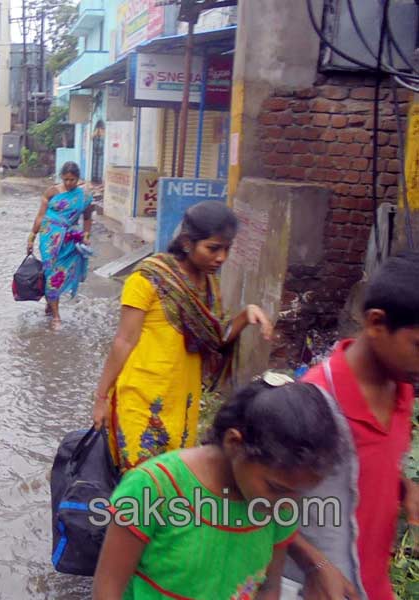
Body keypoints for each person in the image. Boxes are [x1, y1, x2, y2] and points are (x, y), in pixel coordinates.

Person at [93, 378, 342, 600]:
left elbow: (268, 587)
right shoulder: (154, 489)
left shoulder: (277, 506)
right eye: (276, 487)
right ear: (234, 443)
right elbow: (108, 589)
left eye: (299, 494)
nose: (288, 504)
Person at [92, 201, 274, 473]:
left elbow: (217, 338)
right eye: (213, 248)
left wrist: (246, 315)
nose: (222, 257)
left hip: (182, 406)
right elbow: (123, 341)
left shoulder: (209, 286)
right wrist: (101, 398)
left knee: (170, 488)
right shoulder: (147, 278)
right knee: (141, 490)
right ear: (188, 243)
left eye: (227, 248)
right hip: (142, 402)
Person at [283, 252, 419, 600]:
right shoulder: (314, 404)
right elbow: (259, 503)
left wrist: (404, 487)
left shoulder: (402, 387)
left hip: (372, 586)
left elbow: (365, 468)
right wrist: (317, 564)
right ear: (376, 323)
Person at [26, 161, 94, 328]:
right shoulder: (51, 192)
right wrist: (31, 237)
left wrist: (86, 235)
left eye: (72, 179)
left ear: (78, 178)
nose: (69, 183)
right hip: (49, 237)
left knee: (63, 272)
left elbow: (87, 218)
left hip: (69, 239)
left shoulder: (84, 197)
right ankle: (57, 316)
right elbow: (41, 217)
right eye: (66, 179)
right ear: (61, 178)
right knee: (51, 272)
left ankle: (50, 304)